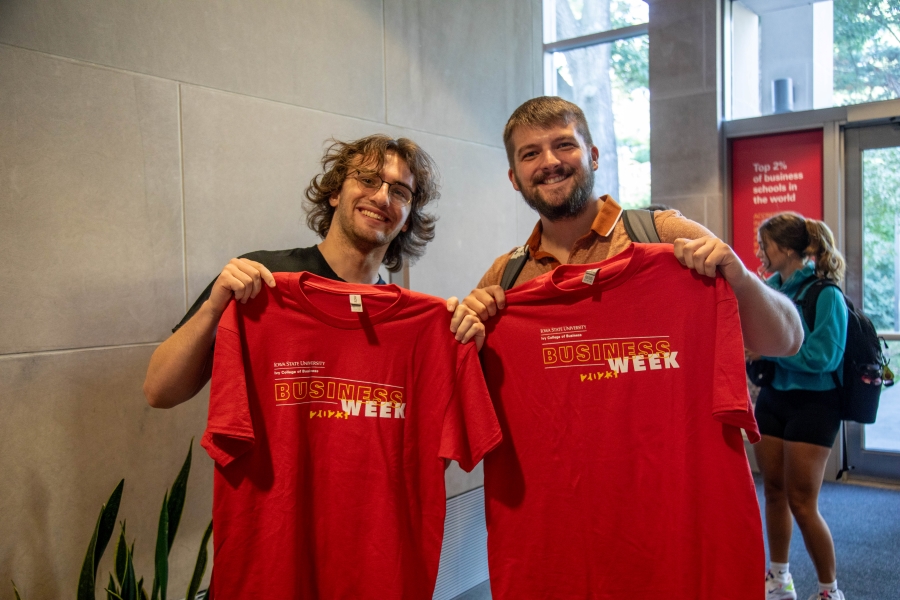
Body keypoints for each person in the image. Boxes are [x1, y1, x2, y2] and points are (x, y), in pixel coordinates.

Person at [144, 133, 484, 408]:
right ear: (335, 192)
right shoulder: (262, 279)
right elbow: (159, 392)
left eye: (400, 192)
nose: (382, 198)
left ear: (408, 220)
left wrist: (464, 341)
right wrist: (213, 309)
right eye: (367, 179)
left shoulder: (411, 322)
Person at [449, 96, 803, 358]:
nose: (551, 162)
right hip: (556, 459)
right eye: (530, 154)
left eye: (564, 145)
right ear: (514, 178)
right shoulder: (504, 278)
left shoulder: (664, 235)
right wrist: (469, 332)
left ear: (594, 156)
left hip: (663, 457)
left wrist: (739, 277)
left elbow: (786, 341)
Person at [748, 213, 848, 600]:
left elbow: (824, 357)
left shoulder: (826, 294)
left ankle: (829, 591)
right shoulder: (769, 289)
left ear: (787, 249)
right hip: (774, 399)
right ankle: (779, 578)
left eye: (765, 244)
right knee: (773, 492)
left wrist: (770, 352)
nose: (759, 251)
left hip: (815, 404)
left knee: (803, 503)